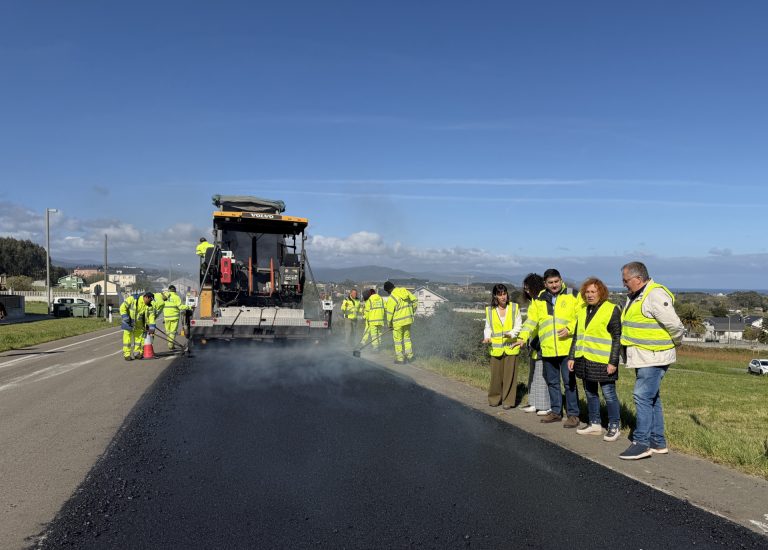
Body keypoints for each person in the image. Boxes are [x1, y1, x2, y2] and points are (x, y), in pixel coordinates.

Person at [619, 261, 684, 460]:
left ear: (638, 279)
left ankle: (642, 443)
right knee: (652, 398)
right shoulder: (637, 295)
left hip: (654, 355)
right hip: (644, 356)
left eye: (626, 280)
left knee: (642, 396)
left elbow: (675, 325)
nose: (624, 284)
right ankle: (657, 441)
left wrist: (674, 343)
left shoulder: (654, 294)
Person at [516, 268, 581, 428]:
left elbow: (581, 317)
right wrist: (522, 337)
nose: (554, 285)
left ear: (561, 280)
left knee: (569, 383)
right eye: (550, 283)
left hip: (567, 349)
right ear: (545, 283)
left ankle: (573, 415)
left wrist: (570, 329)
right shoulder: (539, 299)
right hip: (548, 349)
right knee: (552, 383)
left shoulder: (573, 294)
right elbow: (531, 321)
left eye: (556, 281)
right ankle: (556, 412)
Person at [567, 277, 622, 442]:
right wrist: (572, 357)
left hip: (604, 361)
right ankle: (595, 424)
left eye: (593, 292)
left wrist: (613, 362)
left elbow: (617, 338)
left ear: (601, 292)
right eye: (587, 292)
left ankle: (614, 426)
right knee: (590, 393)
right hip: (584, 359)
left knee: (609, 394)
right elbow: (577, 336)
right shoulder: (583, 309)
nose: (590, 295)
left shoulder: (611, 309)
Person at [482, 284, 523, 409]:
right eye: (500, 294)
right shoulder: (489, 310)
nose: (503, 297)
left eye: (504, 293)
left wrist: (511, 334)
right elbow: (488, 327)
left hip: (511, 346)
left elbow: (518, 325)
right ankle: (494, 398)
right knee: (496, 376)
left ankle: (508, 401)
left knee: (509, 376)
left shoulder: (515, 308)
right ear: (495, 296)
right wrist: (487, 337)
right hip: (496, 347)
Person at [518, 274, 551, 416]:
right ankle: (533, 402)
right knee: (533, 375)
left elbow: (535, 322)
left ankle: (544, 405)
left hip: (541, 342)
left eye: (528, 287)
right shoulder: (533, 301)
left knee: (541, 375)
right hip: (533, 342)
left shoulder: (541, 300)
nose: (526, 290)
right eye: (525, 288)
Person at [383, 281, 418, 364]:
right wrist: (411, 312)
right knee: (407, 339)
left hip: (398, 322)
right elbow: (415, 301)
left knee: (398, 341)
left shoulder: (392, 298)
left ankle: (400, 359)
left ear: (388, 290)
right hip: (408, 320)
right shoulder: (405, 291)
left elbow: (389, 314)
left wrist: (389, 325)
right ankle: (410, 356)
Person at [119, 292, 156, 361]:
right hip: (128, 322)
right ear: (146, 297)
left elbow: (151, 317)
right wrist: (125, 317)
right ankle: (127, 355)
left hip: (139, 325)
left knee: (139, 340)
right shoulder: (132, 299)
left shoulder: (149, 306)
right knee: (127, 340)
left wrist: (152, 327)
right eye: (150, 300)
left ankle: (137, 353)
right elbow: (122, 307)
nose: (150, 302)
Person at [161, 285, 191, 351]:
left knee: (168, 332)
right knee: (172, 332)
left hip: (166, 317)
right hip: (174, 317)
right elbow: (180, 307)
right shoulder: (176, 297)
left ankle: (171, 344)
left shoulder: (164, 297)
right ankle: (171, 345)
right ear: (175, 290)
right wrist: (189, 307)